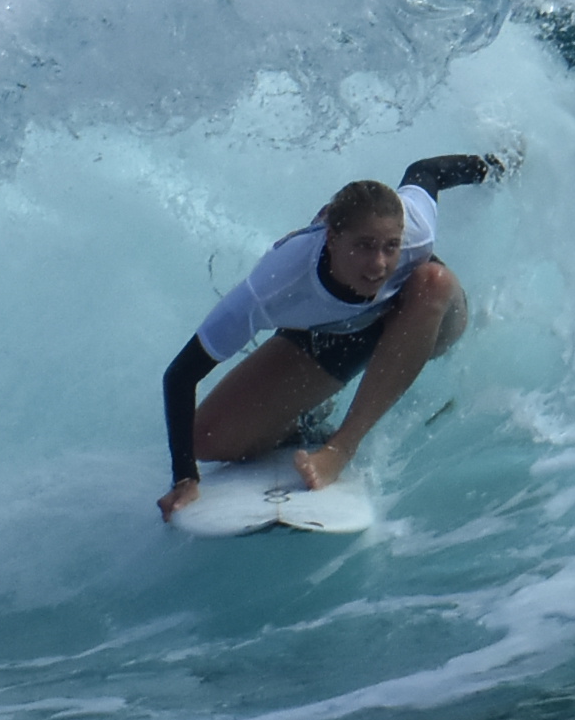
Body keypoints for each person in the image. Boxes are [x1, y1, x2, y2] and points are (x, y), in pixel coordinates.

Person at [158, 152, 505, 518]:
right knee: (207, 440)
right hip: (338, 335)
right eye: (363, 246)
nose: (379, 264)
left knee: (431, 281)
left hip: (427, 317)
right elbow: (181, 374)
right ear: (332, 238)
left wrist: (494, 167)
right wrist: (184, 478)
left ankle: (341, 448)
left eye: (390, 246)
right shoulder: (276, 284)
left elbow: (425, 171)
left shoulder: (415, 229)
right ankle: (301, 424)